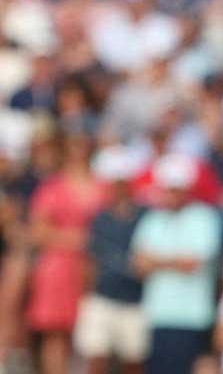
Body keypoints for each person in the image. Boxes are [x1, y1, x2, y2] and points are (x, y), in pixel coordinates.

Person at [131, 154, 223, 374]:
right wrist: (173, 261)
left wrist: (157, 261)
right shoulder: (152, 219)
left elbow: (192, 263)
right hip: (158, 314)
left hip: (192, 316)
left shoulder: (203, 217)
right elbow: (140, 265)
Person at [26, 133, 108, 374]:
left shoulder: (102, 186)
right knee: (56, 334)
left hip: (93, 265)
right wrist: (75, 240)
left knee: (90, 336)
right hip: (59, 266)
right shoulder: (52, 187)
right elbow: (38, 231)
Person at [75, 146, 149, 374]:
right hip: (102, 298)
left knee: (133, 362)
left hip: (136, 300)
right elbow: (90, 260)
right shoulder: (99, 218)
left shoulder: (146, 216)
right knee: (96, 358)